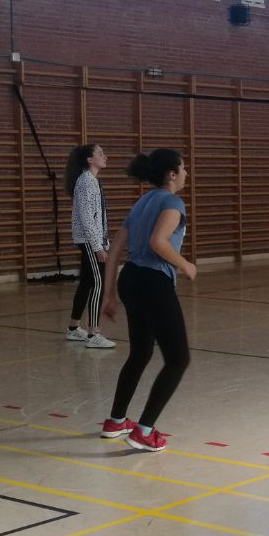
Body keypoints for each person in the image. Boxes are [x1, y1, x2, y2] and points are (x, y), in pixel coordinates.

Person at [98, 149, 194, 453]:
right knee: (178, 359)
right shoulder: (172, 202)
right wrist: (185, 264)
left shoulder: (142, 201)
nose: (187, 173)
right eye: (183, 168)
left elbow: (115, 250)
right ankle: (144, 431)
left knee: (140, 352)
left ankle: (116, 421)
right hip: (153, 283)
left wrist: (109, 294)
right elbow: (157, 242)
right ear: (171, 174)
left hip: (130, 280)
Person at [65, 143, 116, 349]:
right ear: (89, 159)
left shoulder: (92, 181)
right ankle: (93, 333)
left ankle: (73, 328)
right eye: (100, 154)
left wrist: (104, 241)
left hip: (93, 240)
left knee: (87, 283)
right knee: (98, 283)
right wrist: (97, 246)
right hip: (89, 241)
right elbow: (87, 218)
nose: (105, 157)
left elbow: (98, 217)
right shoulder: (86, 182)